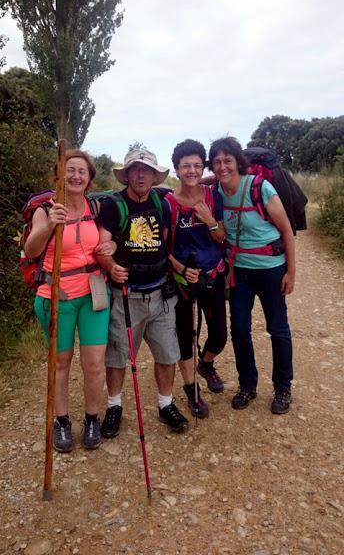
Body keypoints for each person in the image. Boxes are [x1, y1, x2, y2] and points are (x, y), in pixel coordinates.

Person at [24, 149, 115, 452]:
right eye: (70, 170)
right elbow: (32, 250)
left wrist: (110, 246)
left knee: (94, 364)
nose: (76, 176)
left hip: (92, 294)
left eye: (82, 172)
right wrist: (50, 224)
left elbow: (106, 240)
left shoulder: (96, 207)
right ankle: (61, 421)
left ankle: (91, 418)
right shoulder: (44, 209)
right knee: (60, 363)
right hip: (55, 297)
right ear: (59, 175)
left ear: (89, 179)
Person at [97, 148, 188, 437]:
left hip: (160, 294)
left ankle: (166, 404)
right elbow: (102, 246)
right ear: (127, 175)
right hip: (126, 296)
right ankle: (114, 406)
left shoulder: (162, 204)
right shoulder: (113, 205)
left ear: (153, 176)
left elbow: (163, 242)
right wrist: (111, 267)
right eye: (135, 170)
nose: (140, 175)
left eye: (146, 170)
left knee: (167, 354)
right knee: (118, 357)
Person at [208, 137, 295, 414]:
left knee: (278, 329)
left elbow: (287, 231)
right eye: (217, 162)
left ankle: (283, 388)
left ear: (238, 163)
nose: (222, 167)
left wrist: (291, 272)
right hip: (240, 271)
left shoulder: (260, 187)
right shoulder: (216, 192)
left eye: (227, 161)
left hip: (271, 269)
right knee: (240, 330)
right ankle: (248, 386)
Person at [165, 139, 227, 418]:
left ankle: (207, 363)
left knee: (219, 336)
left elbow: (222, 237)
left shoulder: (214, 197)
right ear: (176, 169)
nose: (192, 170)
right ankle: (192, 390)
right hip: (182, 281)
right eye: (186, 166)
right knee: (184, 337)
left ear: (203, 167)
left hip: (213, 275)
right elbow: (162, 248)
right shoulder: (167, 204)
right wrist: (180, 269)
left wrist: (210, 220)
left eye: (197, 165)